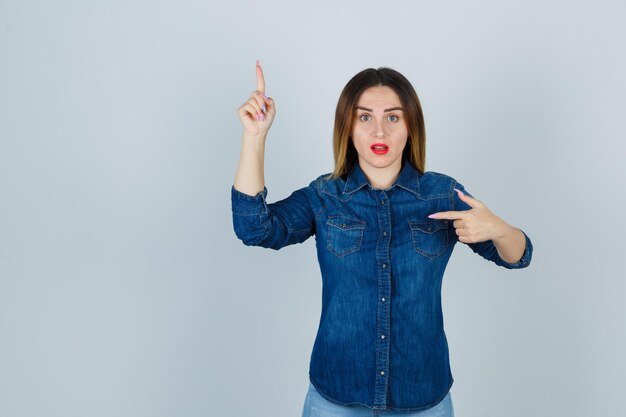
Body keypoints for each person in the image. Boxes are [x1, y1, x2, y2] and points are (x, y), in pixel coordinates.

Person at [231, 61, 533, 417]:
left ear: (410, 126)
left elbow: (517, 255)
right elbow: (255, 229)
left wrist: (498, 228)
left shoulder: (444, 195)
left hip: (422, 396)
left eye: (393, 117)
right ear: (347, 127)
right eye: (364, 118)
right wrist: (255, 138)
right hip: (336, 396)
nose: (379, 132)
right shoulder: (325, 196)